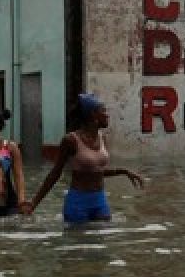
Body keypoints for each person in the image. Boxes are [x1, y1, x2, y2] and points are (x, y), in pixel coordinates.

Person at [21, 93, 143, 223]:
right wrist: (34, 203)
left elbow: (95, 172)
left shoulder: (102, 138)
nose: (107, 115)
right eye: (103, 111)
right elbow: (55, 173)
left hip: (99, 200)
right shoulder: (71, 140)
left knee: (102, 239)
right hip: (78, 202)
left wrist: (123, 171)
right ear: (93, 115)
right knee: (78, 241)